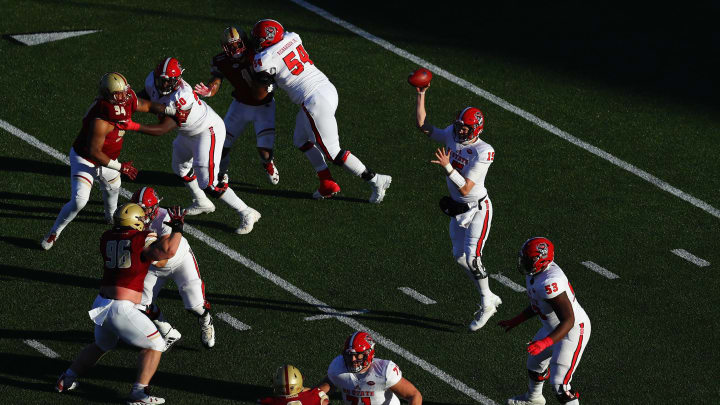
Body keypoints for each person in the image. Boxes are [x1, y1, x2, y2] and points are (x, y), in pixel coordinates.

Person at [55, 202, 186, 405]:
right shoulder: (141, 238)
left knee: (101, 344)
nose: (144, 222)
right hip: (120, 308)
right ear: (134, 221)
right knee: (156, 345)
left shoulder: (107, 237)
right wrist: (177, 228)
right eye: (141, 219)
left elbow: (149, 257)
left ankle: (66, 378)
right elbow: (167, 251)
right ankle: (139, 393)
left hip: (101, 303)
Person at [250, 19, 392, 203]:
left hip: (313, 101)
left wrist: (267, 83)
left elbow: (261, 85)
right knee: (300, 139)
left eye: (258, 39)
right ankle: (327, 182)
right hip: (327, 89)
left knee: (333, 152)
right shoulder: (293, 37)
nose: (256, 42)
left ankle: (375, 179)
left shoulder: (264, 59)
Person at [41, 72, 182, 250]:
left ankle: (110, 217)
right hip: (86, 159)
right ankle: (55, 231)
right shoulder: (101, 117)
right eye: (117, 94)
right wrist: (120, 166)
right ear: (107, 94)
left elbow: (145, 105)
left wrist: (171, 111)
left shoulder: (127, 97)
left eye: (124, 91)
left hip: (109, 158)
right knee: (79, 201)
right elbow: (94, 151)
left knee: (113, 189)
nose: (122, 96)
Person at [129, 57, 261, 234]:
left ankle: (247, 212)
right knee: (180, 167)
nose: (163, 83)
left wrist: (130, 125)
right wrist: (125, 104)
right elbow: (141, 98)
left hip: (207, 130)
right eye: (161, 79)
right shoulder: (152, 81)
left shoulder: (183, 95)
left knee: (209, 183)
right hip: (188, 131)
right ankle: (202, 201)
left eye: (168, 80)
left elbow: (162, 129)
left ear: (177, 79)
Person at [413, 82, 502, 331]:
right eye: (459, 126)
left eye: (465, 128)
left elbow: (466, 188)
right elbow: (424, 126)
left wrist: (447, 167)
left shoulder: (484, 151)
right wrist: (421, 95)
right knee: (460, 257)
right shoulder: (453, 133)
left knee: (473, 258)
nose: (460, 131)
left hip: (478, 208)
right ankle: (490, 296)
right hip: (458, 208)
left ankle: (487, 304)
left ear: (476, 129)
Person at [498, 237, 591, 405]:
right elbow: (538, 304)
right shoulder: (537, 274)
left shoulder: (550, 282)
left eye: (528, 259)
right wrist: (516, 320)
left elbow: (569, 320)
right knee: (534, 364)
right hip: (554, 327)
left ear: (540, 260)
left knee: (560, 386)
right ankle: (534, 399)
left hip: (572, 330)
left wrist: (545, 343)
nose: (524, 262)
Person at [194, 26, 280, 186]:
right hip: (240, 106)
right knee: (223, 145)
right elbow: (216, 81)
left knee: (264, 152)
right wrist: (209, 91)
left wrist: (271, 87)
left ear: (245, 43)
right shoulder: (222, 61)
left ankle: (268, 163)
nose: (235, 49)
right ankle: (221, 173)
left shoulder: (258, 55)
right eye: (231, 46)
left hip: (264, 106)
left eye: (238, 45)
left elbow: (277, 75)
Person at [131, 187, 215, 350]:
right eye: (138, 207)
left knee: (195, 306)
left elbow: (167, 253)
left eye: (145, 208)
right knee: (139, 306)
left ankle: (206, 320)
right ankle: (168, 332)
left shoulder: (165, 217)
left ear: (154, 207)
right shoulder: (131, 217)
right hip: (154, 266)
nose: (141, 212)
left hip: (180, 261)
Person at [318, 331, 422, 405]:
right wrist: (313, 394)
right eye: (349, 355)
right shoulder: (338, 366)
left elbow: (414, 395)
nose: (353, 359)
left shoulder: (384, 371)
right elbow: (328, 385)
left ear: (369, 354)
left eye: (358, 355)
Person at [258, 364, 329, 405]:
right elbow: (326, 392)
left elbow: (261, 401)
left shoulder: (272, 401)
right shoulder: (315, 395)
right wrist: (310, 391)